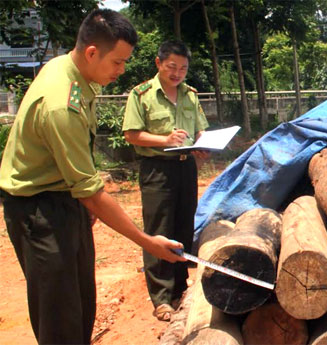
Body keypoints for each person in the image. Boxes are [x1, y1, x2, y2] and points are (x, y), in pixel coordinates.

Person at [0, 9, 185, 345]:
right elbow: (90, 190)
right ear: (91, 52)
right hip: (38, 211)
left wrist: (81, 206)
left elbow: (80, 181)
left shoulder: (74, 72)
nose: (122, 70)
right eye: (117, 62)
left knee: (82, 303)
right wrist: (148, 242)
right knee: (59, 317)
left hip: (65, 198)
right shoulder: (61, 103)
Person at [122, 40, 209, 322]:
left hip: (186, 169)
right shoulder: (141, 94)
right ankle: (161, 298)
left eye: (183, 68)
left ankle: (180, 288)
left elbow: (200, 130)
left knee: (184, 227)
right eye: (172, 67)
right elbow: (132, 134)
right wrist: (164, 140)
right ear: (159, 63)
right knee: (159, 229)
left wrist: (203, 145)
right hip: (157, 170)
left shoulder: (190, 95)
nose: (178, 73)